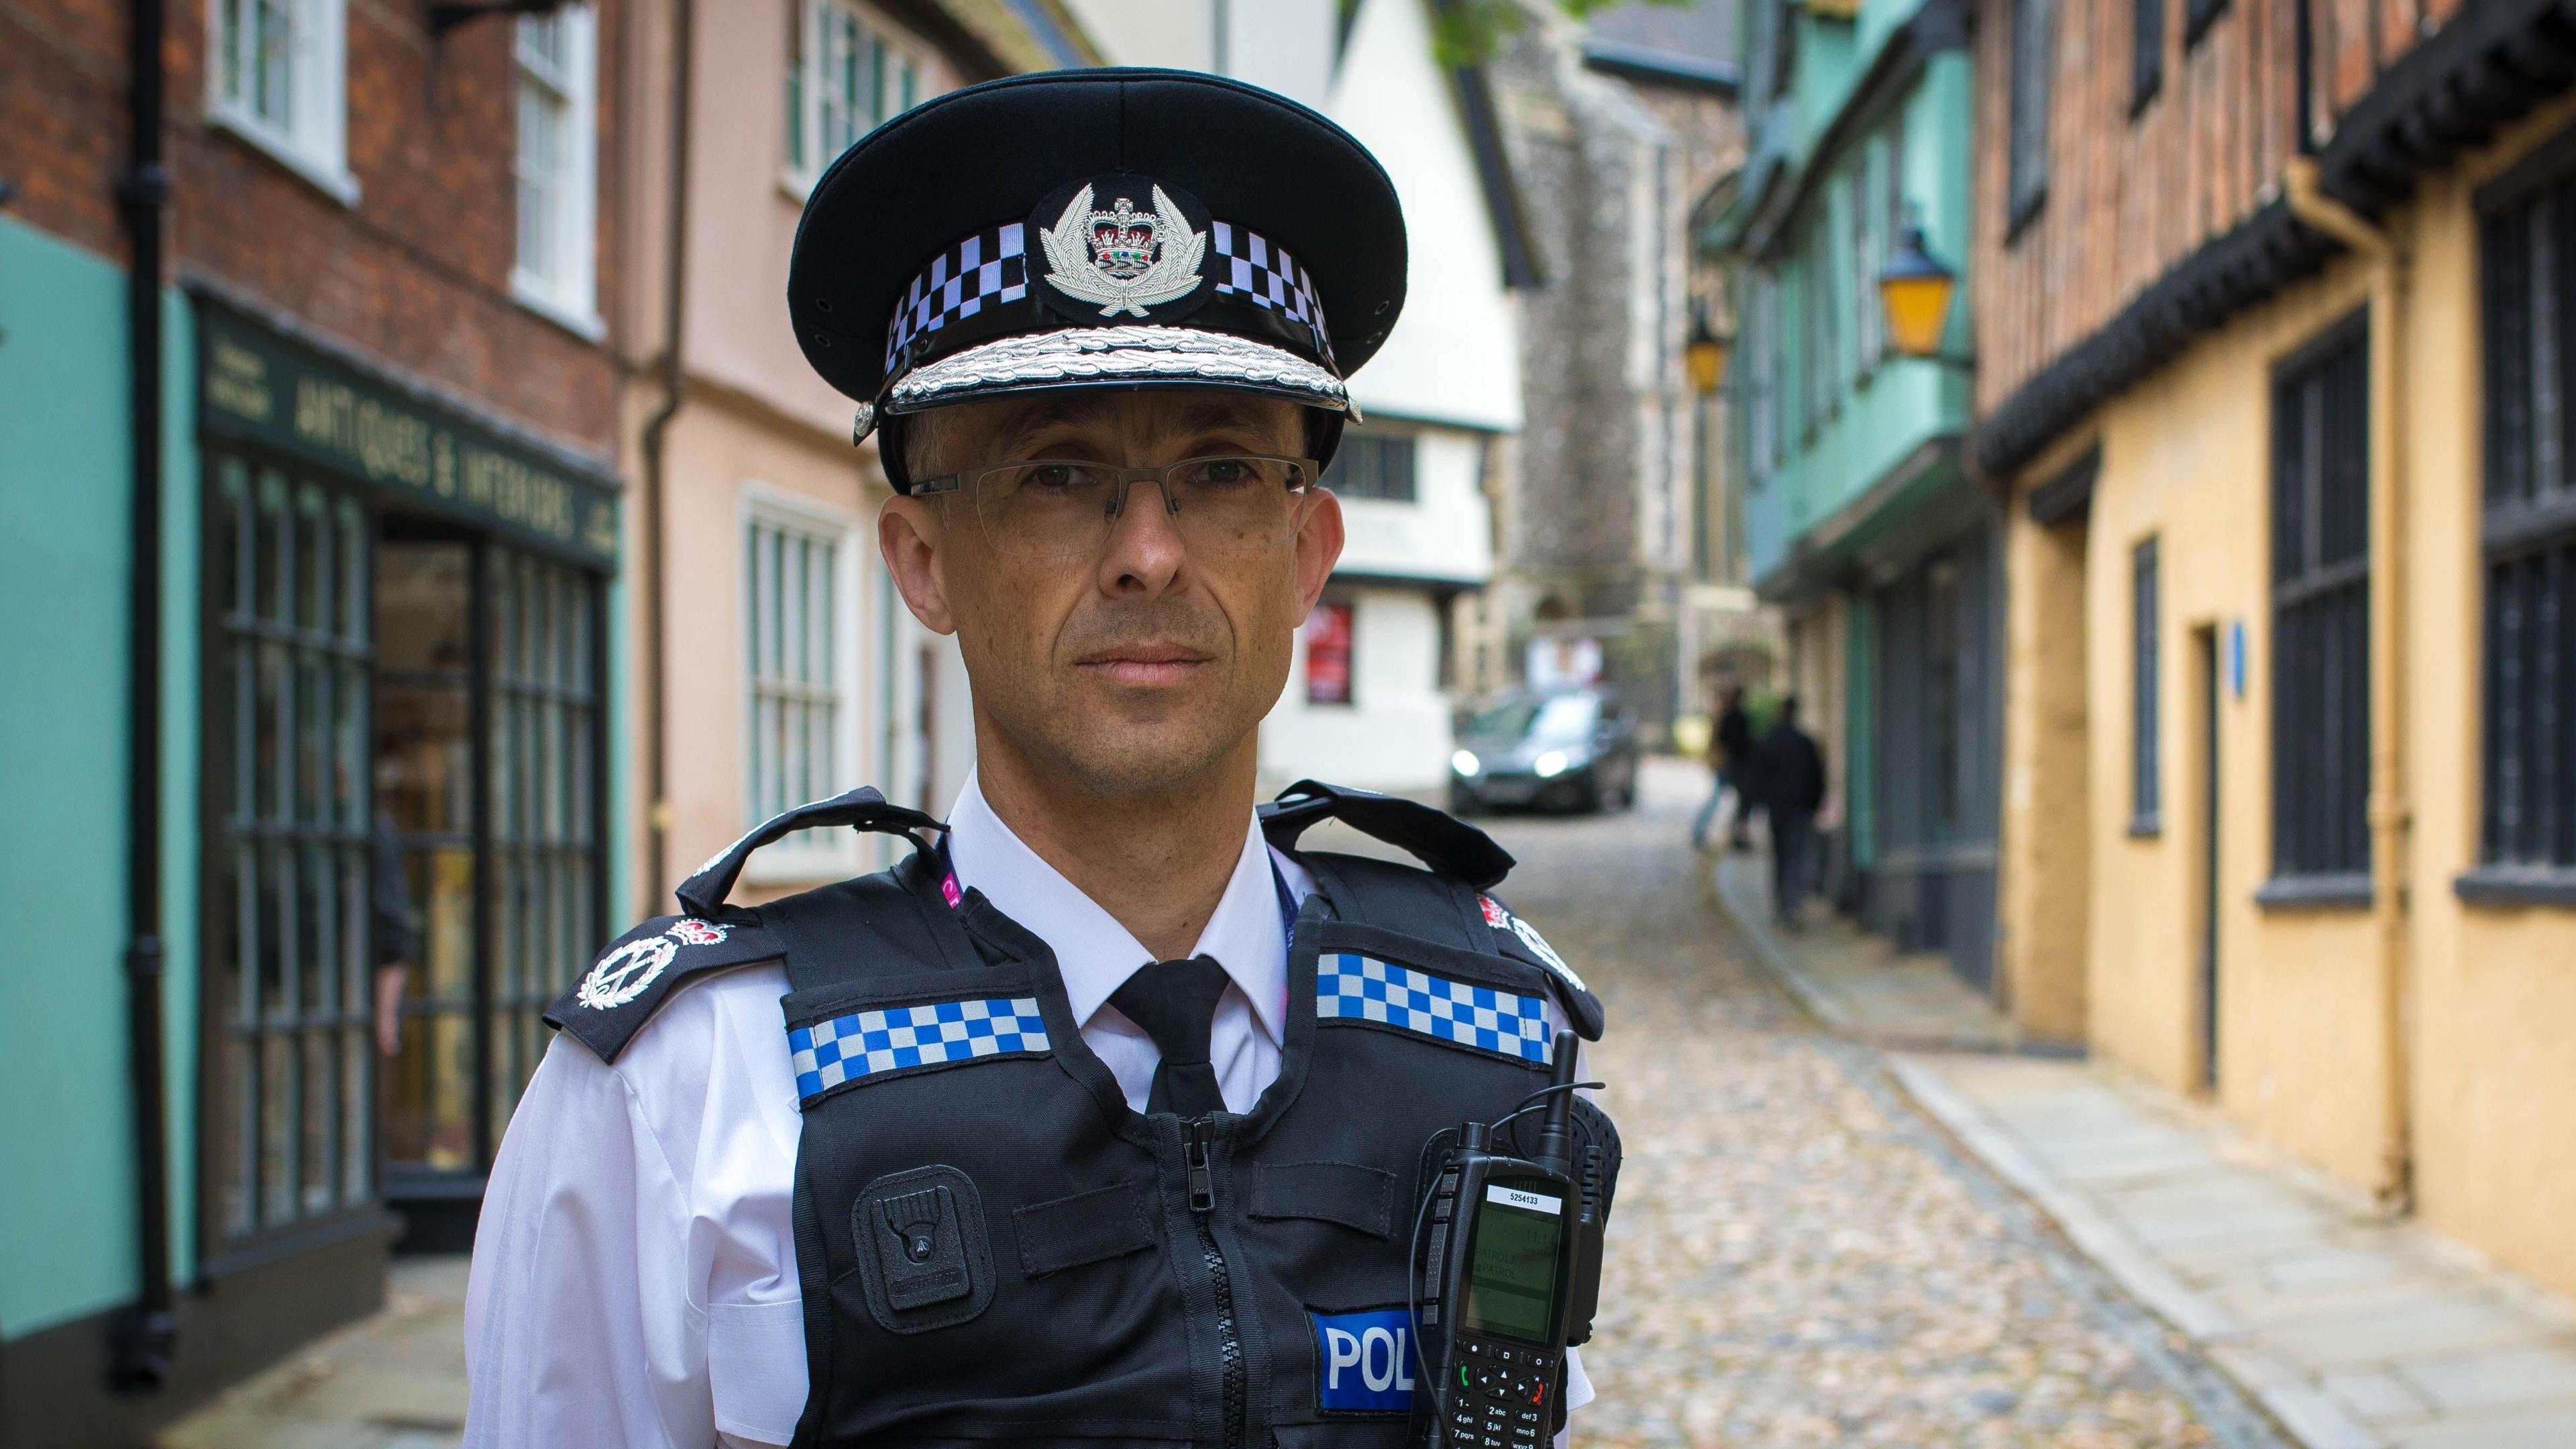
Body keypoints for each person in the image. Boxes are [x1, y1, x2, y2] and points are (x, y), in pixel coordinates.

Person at [464, 70, 1617, 1449]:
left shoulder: (1487, 1039)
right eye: (1055, 473)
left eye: (1222, 471)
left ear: (1309, 555)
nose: (1146, 553)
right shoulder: (691, 1092)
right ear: (922, 559)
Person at [1757, 696, 1827, 929]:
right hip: (1798, 809)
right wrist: (1816, 804)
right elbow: (1817, 777)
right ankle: (1792, 906)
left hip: (1780, 810)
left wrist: (1760, 804)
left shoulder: (1770, 741)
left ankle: (1781, 905)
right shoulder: (1804, 742)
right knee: (1795, 857)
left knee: (1781, 857)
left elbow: (1760, 778)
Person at [1692, 682, 1756, 851]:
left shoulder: (1730, 716)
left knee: (1736, 800)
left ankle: (1735, 834)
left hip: (1733, 765)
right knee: (1724, 799)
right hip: (1731, 765)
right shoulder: (1729, 717)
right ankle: (1703, 831)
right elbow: (1728, 742)